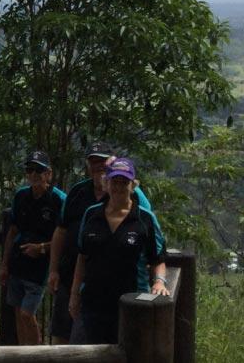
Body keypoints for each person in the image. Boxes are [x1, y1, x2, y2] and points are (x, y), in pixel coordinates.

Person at [47, 142, 153, 344]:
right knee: (62, 337)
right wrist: (53, 270)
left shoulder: (134, 197)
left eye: (102, 161)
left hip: (116, 289)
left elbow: (148, 233)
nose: (98, 165)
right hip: (72, 277)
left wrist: (156, 279)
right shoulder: (78, 192)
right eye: (93, 161)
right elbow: (61, 230)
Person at [70, 157, 168, 344]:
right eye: (115, 181)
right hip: (93, 303)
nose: (119, 187)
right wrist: (75, 295)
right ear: (107, 183)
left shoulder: (144, 219)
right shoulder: (91, 215)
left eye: (124, 182)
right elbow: (82, 257)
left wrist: (159, 282)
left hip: (132, 304)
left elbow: (158, 258)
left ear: (133, 186)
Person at [0, 151, 65, 345]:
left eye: (39, 170)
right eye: (30, 170)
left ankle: (36, 354)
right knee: (19, 312)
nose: (34, 174)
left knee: (28, 313)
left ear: (49, 173)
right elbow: (12, 231)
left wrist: (42, 248)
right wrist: (4, 264)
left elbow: (66, 238)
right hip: (18, 264)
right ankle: (23, 353)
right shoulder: (21, 196)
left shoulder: (59, 200)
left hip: (41, 268)